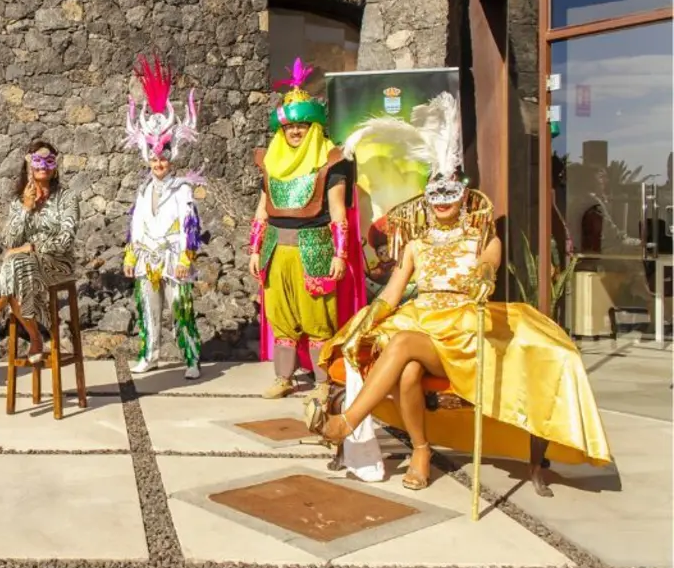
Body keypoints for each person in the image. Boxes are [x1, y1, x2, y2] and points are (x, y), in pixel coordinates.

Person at [319, 92, 613, 492]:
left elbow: (489, 262)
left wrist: (482, 278)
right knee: (406, 370)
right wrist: (369, 317)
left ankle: (347, 422)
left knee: (404, 345)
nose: (442, 204)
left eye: (450, 195)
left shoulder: (481, 238)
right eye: (436, 196)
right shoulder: (415, 246)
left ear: (462, 197)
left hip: (461, 332)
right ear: (427, 199)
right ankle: (421, 452)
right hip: (421, 321)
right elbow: (392, 294)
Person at [248, 58, 366, 401]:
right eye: (289, 127)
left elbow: (338, 213)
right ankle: (283, 377)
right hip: (275, 249)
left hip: (313, 247)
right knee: (281, 317)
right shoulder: (270, 163)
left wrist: (340, 253)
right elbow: (262, 210)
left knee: (318, 319)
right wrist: (255, 248)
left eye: (301, 125)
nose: (295, 131)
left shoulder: (330, 163)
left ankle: (323, 381)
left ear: (313, 126)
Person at [0, 139, 79, 364]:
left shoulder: (67, 198)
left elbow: (66, 239)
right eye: (38, 161)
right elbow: (10, 241)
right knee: (16, 267)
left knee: (14, 266)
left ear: (55, 167)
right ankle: (34, 337)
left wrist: (32, 247)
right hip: (25, 266)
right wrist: (26, 208)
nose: (43, 166)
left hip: (58, 263)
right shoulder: (19, 200)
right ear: (29, 166)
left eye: (48, 161)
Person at [121, 54, 204, 380]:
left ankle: (191, 358)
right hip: (146, 258)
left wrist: (186, 257)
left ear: (171, 159)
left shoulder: (182, 189)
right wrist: (130, 254)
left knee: (181, 310)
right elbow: (135, 226)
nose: (159, 164)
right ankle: (150, 354)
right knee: (148, 311)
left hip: (174, 258)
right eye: (154, 160)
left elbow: (190, 226)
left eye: (163, 160)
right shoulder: (142, 191)